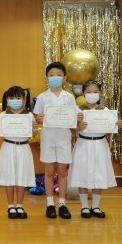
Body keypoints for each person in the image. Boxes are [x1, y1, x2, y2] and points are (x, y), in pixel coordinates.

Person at [33, 61, 82, 219]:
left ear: (65, 78)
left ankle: (62, 204)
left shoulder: (69, 97)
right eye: (51, 75)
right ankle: (50, 205)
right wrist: (39, 119)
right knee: (49, 171)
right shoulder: (42, 97)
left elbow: (73, 121)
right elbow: (37, 118)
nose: (55, 77)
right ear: (46, 78)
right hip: (48, 138)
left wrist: (78, 117)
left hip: (64, 138)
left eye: (59, 75)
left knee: (62, 172)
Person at [69, 80, 122, 219]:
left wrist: (117, 124)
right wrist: (78, 127)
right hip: (83, 144)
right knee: (82, 174)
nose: (92, 94)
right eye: (88, 92)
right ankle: (84, 206)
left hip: (100, 145)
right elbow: (72, 130)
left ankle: (95, 206)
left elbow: (109, 129)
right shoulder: (78, 110)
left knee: (98, 174)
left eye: (95, 92)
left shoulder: (105, 111)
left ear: (100, 93)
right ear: (83, 94)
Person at [0, 86, 38, 219]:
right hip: (8, 147)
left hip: (23, 147)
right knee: (10, 177)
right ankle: (10, 206)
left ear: (23, 99)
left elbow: (33, 135)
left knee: (21, 177)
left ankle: (19, 205)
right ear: (7, 99)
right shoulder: (3, 115)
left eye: (18, 98)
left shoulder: (29, 115)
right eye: (11, 98)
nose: (15, 100)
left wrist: (35, 129)